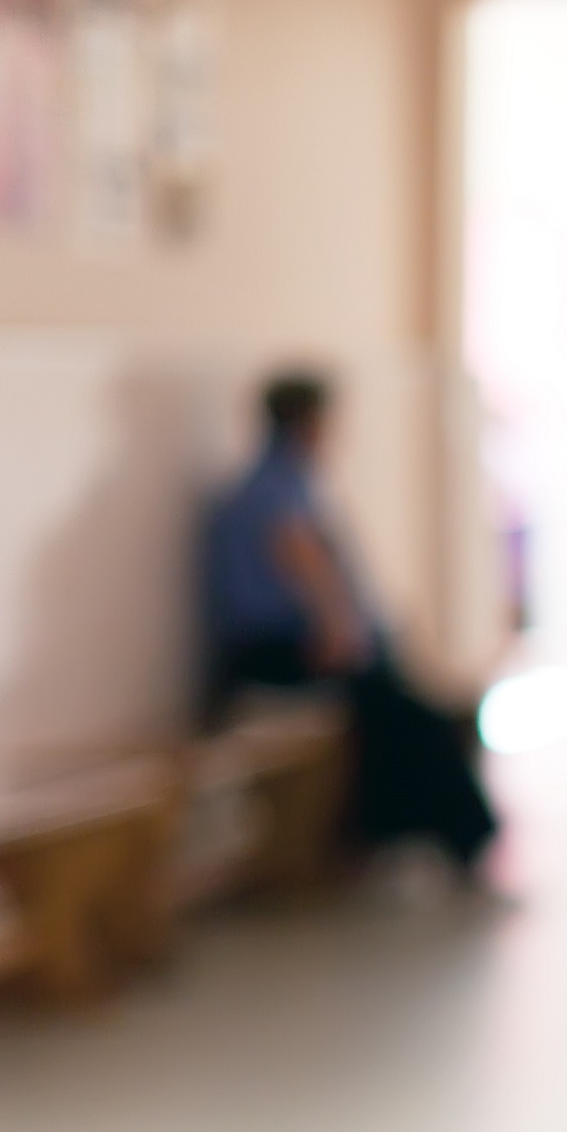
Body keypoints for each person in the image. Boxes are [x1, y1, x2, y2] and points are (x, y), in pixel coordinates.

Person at [203, 372, 500, 882]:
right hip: (278, 653)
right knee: (411, 717)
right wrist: (341, 631)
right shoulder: (274, 488)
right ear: (309, 423)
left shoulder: (284, 483)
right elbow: (301, 558)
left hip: (300, 648)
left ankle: (402, 833)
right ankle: (454, 837)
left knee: (407, 709)